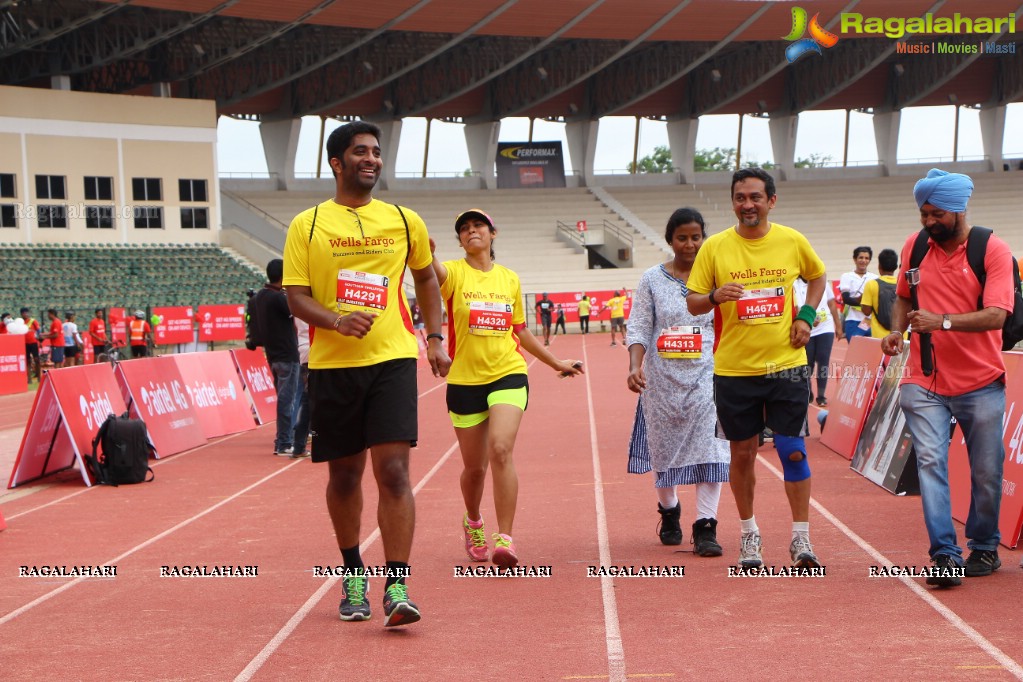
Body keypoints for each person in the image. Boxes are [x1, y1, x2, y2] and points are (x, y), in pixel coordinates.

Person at [283, 120, 450, 628]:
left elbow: (426, 276)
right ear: (336, 163)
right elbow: (295, 296)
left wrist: (435, 337)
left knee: (395, 472)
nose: (372, 159)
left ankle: (396, 584)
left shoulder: (403, 219)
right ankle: (353, 572)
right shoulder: (307, 225)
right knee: (344, 474)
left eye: (377, 152)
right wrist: (336, 320)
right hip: (334, 365)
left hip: (393, 359)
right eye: (361, 152)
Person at [686, 167, 827, 569]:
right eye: (740, 197)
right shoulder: (715, 247)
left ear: (771, 201)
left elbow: (816, 278)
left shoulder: (791, 240)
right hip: (735, 370)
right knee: (743, 454)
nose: (748, 204)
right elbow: (693, 301)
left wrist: (806, 313)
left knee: (793, 452)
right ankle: (749, 535)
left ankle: (801, 539)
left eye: (755, 197)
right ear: (733, 201)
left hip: (786, 365)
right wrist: (714, 295)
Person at [881, 168, 1013, 587]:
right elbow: (903, 297)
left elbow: (997, 315)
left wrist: (943, 322)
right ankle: (944, 555)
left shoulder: (992, 249)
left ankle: (985, 546)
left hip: (981, 380)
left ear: (958, 210)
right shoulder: (915, 245)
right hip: (923, 380)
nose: (928, 222)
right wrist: (895, 332)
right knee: (931, 463)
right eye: (923, 213)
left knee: (987, 471)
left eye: (936, 214)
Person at [431, 208, 582, 568]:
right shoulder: (453, 273)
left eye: (478, 226)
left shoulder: (509, 279)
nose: (472, 232)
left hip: (508, 373)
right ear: (460, 240)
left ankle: (506, 539)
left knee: (500, 449)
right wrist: (427, 252)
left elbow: (521, 331)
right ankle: (473, 520)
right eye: (464, 229)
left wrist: (555, 362)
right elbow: (429, 270)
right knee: (475, 469)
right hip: (466, 379)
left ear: (492, 233)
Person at [626, 208, 729, 556]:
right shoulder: (652, 280)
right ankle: (670, 512)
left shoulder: (717, 279)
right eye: (682, 237)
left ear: (704, 238)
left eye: (696, 236)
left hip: (708, 376)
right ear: (670, 240)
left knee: (712, 447)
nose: (689, 244)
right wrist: (634, 365)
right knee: (664, 450)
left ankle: (706, 526)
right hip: (662, 381)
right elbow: (639, 326)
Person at [250, 258, 303, 458]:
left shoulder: (261, 296)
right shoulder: (279, 298)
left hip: (273, 355)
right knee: (288, 400)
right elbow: (298, 310)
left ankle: (284, 439)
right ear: (283, 276)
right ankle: (284, 442)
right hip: (286, 354)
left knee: (286, 399)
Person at [794, 277, 843, 407]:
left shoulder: (821, 281)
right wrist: (807, 319)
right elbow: (796, 307)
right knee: (807, 362)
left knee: (823, 361)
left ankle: (821, 396)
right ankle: (808, 390)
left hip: (825, 327)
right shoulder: (795, 284)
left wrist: (838, 326)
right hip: (807, 328)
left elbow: (831, 303)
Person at [839, 246, 878, 342]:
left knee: (870, 351)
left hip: (869, 321)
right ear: (855, 259)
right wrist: (864, 303)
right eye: (861, 258)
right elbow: (846, 299)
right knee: (855, 351)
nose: (863, 261)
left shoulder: (875, 278)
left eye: (866, 258)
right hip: (853, 320)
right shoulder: (846, 276)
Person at [859, 248, 899, 338]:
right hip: (900, 336)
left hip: (879, 337)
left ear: (879, 266)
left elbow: (866, 311)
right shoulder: (902, 284)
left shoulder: (871, 284)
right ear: (896, 267)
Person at [292, 316, 311, 457]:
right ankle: (300, 444)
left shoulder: (299, 304)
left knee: (307, 401)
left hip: (304, 350)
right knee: (310, 402)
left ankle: (299, 445)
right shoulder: (312, 305)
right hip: (315, 350)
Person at [21, 308, 40, 381]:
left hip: (34, 342)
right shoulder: (21, 322)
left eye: (26, 313)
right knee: (27, 360)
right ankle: (29, 379)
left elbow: (38, 331)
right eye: (24, 313)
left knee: (36, 359)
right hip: (25, 343)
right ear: (21, 314)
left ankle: (39, 377)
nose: (25, 314)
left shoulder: (33, 321)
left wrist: (40, 341)